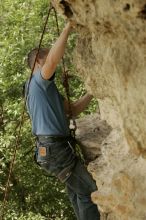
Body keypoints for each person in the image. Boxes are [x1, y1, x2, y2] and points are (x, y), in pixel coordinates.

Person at [25, 21, 100, 220]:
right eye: (47, 57)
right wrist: (67, 27)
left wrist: (93, 91)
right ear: (38, 63)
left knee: (76, 191)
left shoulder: (41, 91)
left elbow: (73, 109)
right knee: (89, 191)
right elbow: (51, 62)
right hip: (54, 149)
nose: (51, 62)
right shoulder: (38, 81)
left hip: (49, 150)